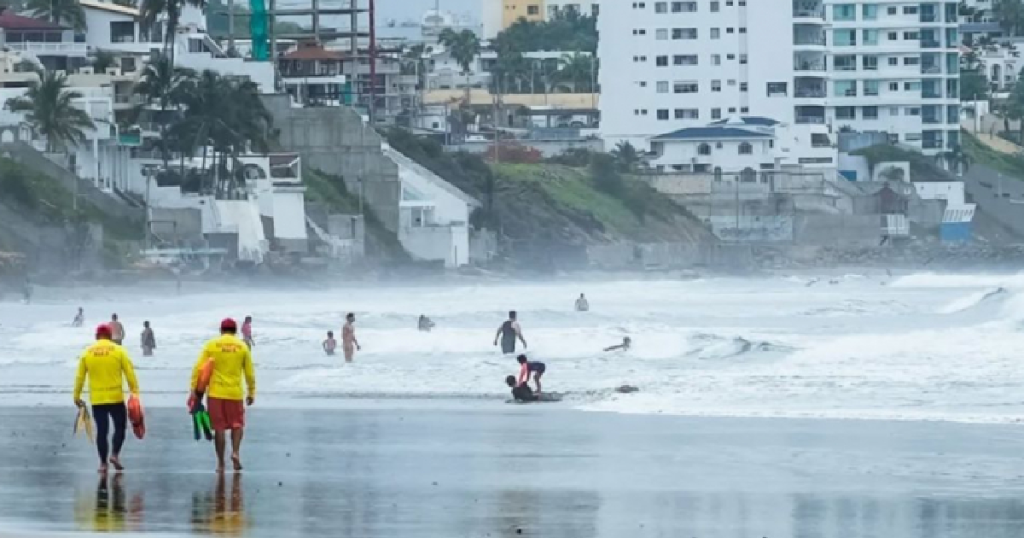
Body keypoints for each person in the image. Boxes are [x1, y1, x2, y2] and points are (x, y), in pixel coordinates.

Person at [73, 324, 140, 474]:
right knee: (120, 428)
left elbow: (79, 377)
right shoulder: (119, 350)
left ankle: (103, 464)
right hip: (116, 398)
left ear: (96, 336)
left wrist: (76, 396)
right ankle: (115, 455)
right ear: (110, 336)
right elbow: (130, 373)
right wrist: (134, 392)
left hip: (98, 400)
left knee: (102, 431)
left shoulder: (87, 352)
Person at [190, 318, 255, 474]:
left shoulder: (211, 345)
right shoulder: (242, 346)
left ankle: (220, 463)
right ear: (235, 331)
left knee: (219, 428)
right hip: (235, 394)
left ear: (221, 330)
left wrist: (194, 389)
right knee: (237, 424)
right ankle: (235, 452)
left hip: (216, 394)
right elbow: (249, 373)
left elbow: (198, 369)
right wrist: (251, 391)